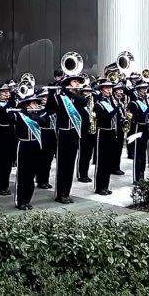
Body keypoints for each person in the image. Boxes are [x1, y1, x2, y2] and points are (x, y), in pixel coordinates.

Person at [45, 74, 88, 204]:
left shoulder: (79, 97)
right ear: (68, 83)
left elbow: (83, 101)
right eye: (75, 82)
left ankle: (67, 193)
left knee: (70, 165)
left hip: (75, 133)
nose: (77, 84)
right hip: (63, 134)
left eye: (78, 82)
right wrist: (53, 92)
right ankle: (60, 194)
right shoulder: (59, 98)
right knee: (63, 165)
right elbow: (49, 109)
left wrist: (68, 92)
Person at [13, 94, 47, 210]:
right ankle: (20, 201)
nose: (35, 105)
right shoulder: (18, 115)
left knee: (31, 175)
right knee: (23, 175)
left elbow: (43, 121)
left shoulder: (38, 114)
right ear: (26, 104)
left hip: (36, 146)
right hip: (24, 145)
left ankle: (27, 200)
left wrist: (29, 113)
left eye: (36, 103)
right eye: (33, 103)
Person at [93, 81, 119, 195]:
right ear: (102, 90)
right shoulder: (98, 104)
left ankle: (105, 186)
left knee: (109, 161)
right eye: (107, 88)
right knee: (102, 162)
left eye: (110, 88)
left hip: (112, 133)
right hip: (102, 133)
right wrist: (116, 109)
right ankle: (99, 187)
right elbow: (106, 118)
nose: (110, 90)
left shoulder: (111, 102)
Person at [0, 82, 16, 195]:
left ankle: (5, 186)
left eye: (8, 92)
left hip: (11, 132)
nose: (7, 94)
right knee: (1, 160)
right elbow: (3, 112)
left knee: (8, 161)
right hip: (0, 132)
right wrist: (12, 101)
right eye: (4, 92)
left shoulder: (12, 103)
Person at [128, 82, 149, 183]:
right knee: (138, 154)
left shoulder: (147, 101)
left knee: (143, 154)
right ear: (138, 91)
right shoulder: (134, 103)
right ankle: (137, 178)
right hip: (138, 129)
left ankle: (142, 175)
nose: (144, 91)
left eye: (146, 89)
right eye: (142, 89)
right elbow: (138, 117)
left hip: (146, 127)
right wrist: (148, 110)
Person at [35, 90, 57, 189]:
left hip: (52, 134)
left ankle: (45, 179)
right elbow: (42, 118)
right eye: (43, 97)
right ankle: (40, 180)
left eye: (47, 97)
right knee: (42, 159)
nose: (46, 99)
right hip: (43, 134)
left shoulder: (53, 108)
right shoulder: (38, 110)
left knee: (49, 160)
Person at [77, 85, 96, 183]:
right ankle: (81, 174)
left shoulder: (92, 105)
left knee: (88, 154)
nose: (88, 93)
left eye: (89, 91)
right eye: (85, 92)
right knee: (83, 154)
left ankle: (86, 173)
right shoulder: (79, 106)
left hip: (91, 132)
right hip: (83, 132)